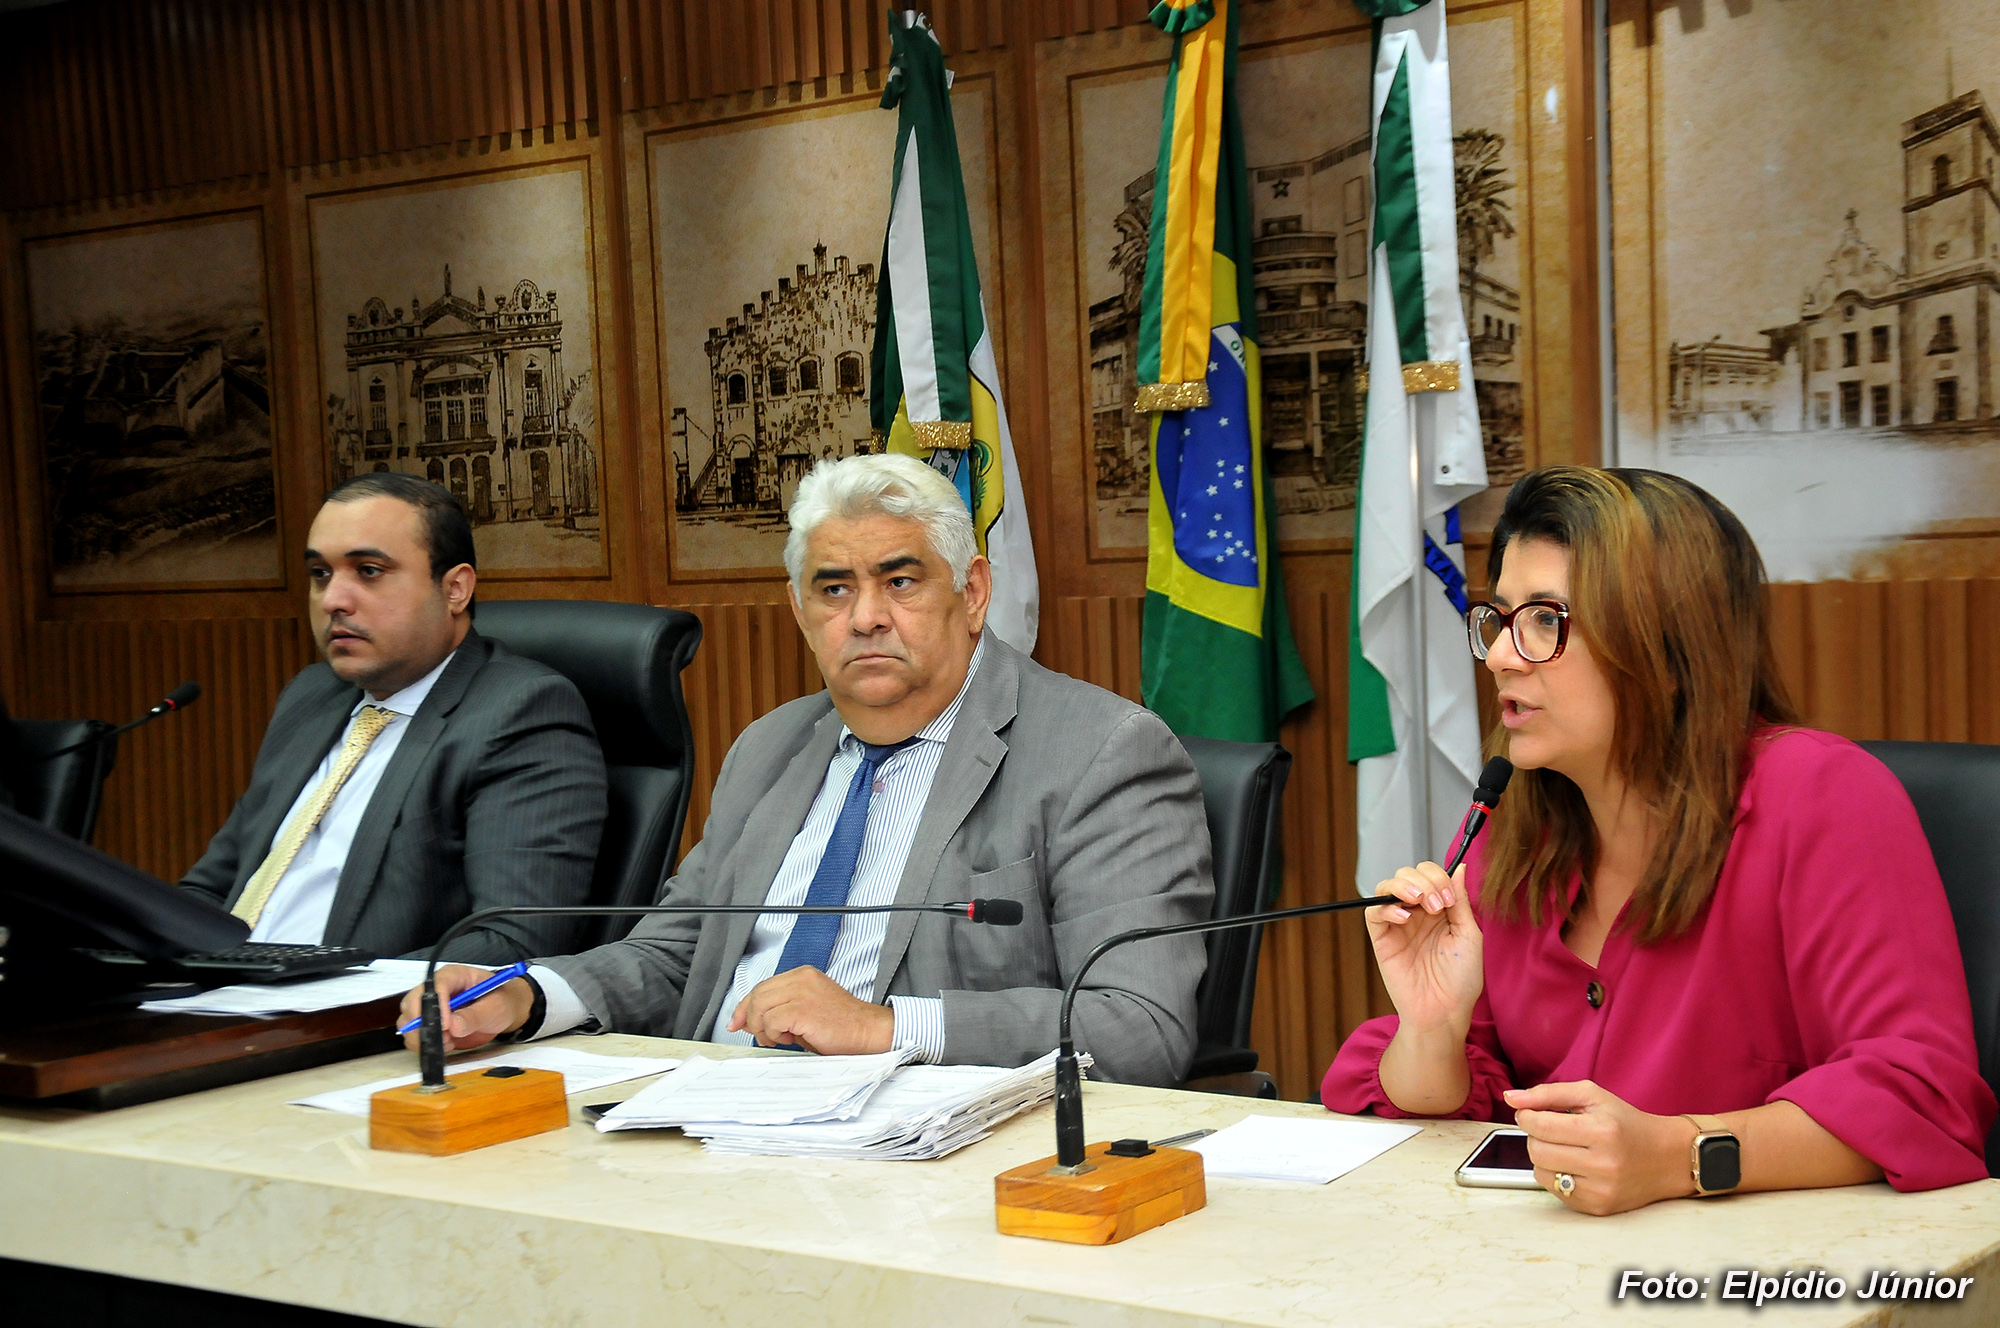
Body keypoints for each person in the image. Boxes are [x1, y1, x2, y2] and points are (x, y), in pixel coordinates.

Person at [401, 453, 1214, 1086]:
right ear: (800, 609)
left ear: (971, 594)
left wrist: (886, 1027)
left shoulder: (1099, 753)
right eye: (834, 589)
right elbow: (677, 956)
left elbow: (1139, 1027)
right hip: (705, 1118)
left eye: (900, 581)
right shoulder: (772, 746)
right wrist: (528, 996)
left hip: (912, 1154)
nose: (865, 617)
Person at [1322, 466, 1994, 1213]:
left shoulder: (1822, 796)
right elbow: (1448, 1108)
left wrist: (1680, 1156)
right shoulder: (1509, 821)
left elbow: (1918, 1098)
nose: (1502, 655)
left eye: (1545, 620)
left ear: (1668, 647)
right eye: (1500, 618)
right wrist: (1432, 1032)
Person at [182, 474, 606, 963]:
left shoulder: (520, 712)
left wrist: (321, 989)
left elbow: (513, 940)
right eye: (320, 573)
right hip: (221, 989)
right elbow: (211, 890)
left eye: (368, 571)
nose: (333, 600)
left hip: (347, 1004)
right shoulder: (311, 696)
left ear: (455, 589)